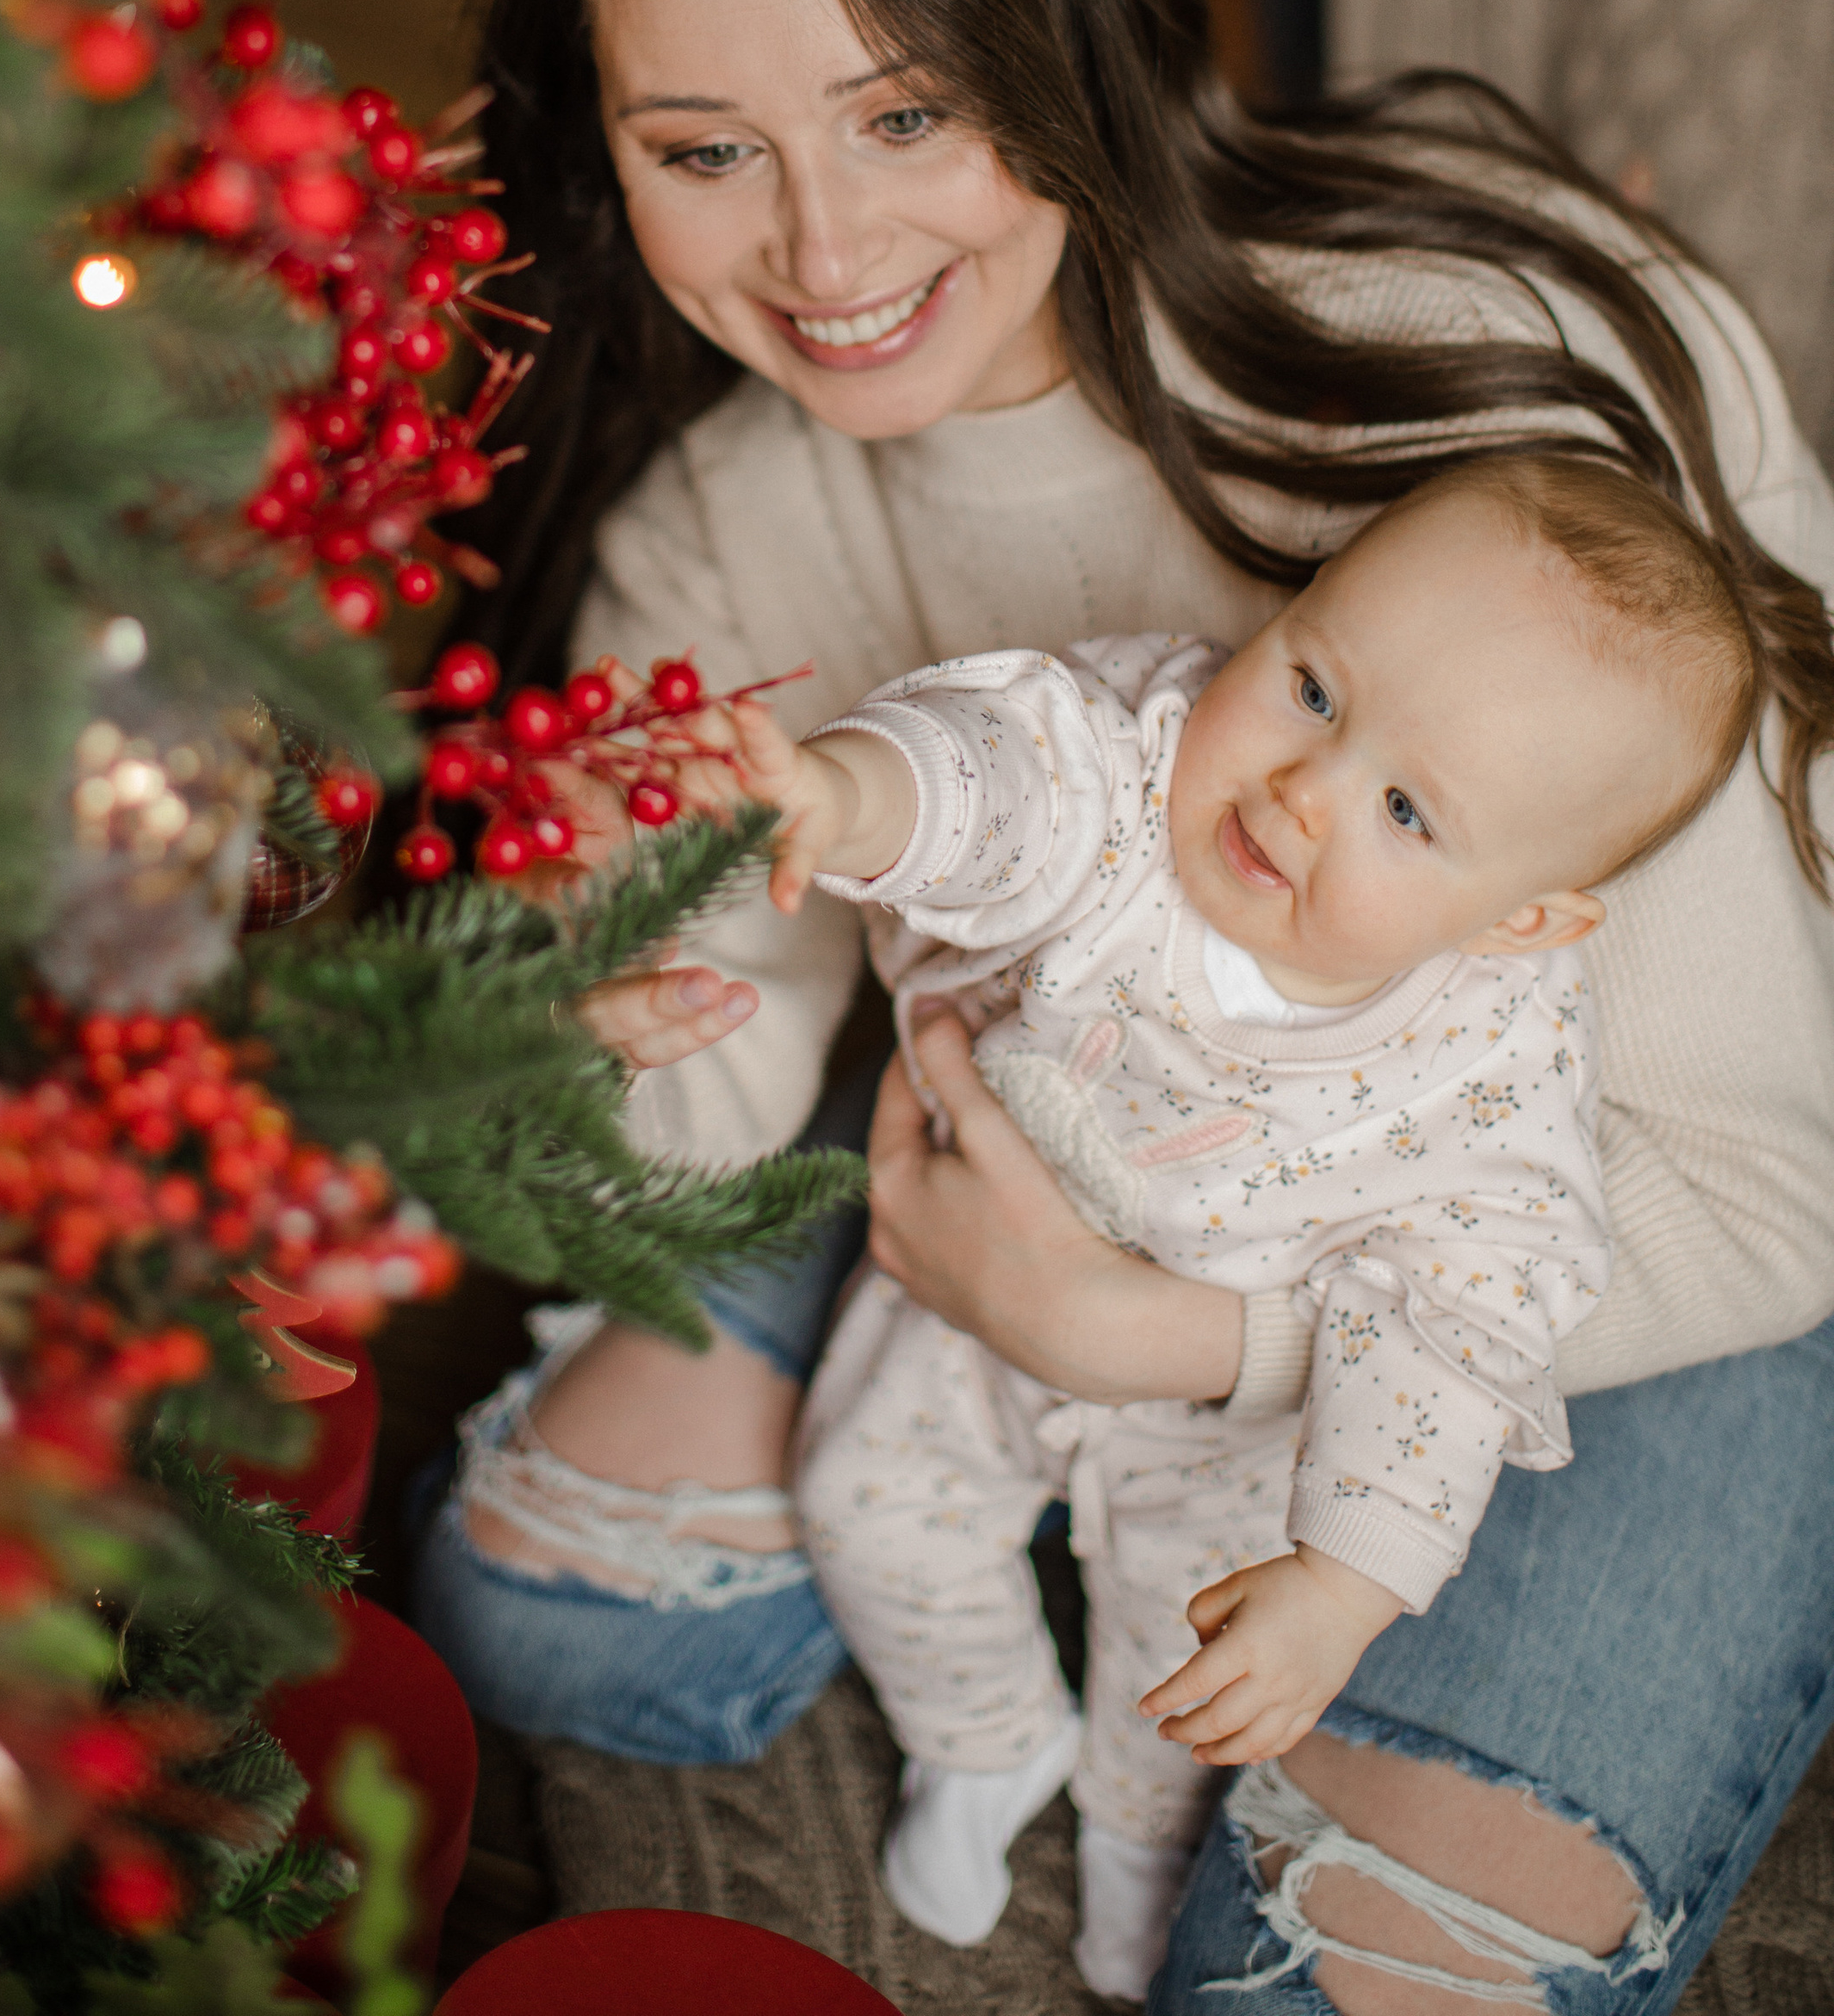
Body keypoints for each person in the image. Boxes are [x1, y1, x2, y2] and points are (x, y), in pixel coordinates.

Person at [408, 0, 1834, 2015]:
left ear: (1046, 23)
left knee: (1333, 1985)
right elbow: (694, 1112)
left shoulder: (1487, 380)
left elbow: (1775, 1181)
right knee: (548, 1608)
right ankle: (1036, 1629)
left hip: (1593, 1252)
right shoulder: (726, 531)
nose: (830, 254)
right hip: (1097, 1110)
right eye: (706, 152)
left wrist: (1176, 1339)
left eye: (901, 111)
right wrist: (611, 980)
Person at [674, 452, 1776, 1997]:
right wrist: (844, 796)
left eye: (1406, 809)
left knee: (1191, 1659)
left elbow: (1466, 1324)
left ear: (1525, 917)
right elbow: (1006, 773)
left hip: (1230, 1430)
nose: (1301, 792)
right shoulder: (1139, 755)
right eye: (1317, 689)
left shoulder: (1491, 1065)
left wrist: (1345, 1582)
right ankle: (982, 1738)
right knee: (866, 1499)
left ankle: (1133, 1834)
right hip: (970, 1299)